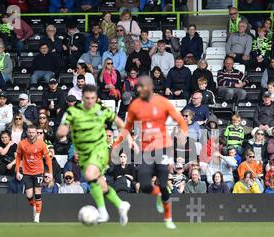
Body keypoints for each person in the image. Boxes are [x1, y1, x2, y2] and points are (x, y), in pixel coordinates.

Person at [113, 76, 188, 229]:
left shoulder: (162, 102)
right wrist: (120, 142)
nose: (139, 89)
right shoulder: (135, 106)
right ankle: (159, 196)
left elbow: (180, 119)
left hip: (163, 148)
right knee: (145, 186)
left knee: (163, 182)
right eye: (138, 87)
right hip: (145, 151)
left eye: (142, 87)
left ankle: (168, 218)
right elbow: (127, 127)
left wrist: (183, 132)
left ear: (150, 87)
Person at [58, 84, 131, 216]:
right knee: (99, 184)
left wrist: (129, 138)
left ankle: (103, 213)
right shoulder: (72, 112)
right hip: (85, 152)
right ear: (82, 98)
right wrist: (61, 132)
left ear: (96, 98)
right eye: (87, 98)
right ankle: (120, 205)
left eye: (93, 98)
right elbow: (61, 130)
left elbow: (120, 123)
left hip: (100, 150)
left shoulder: (101, 110)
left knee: (91, 176)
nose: (90, 101)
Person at [15, 125, 52, 223]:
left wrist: (50, 172)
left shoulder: (42, 144)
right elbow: (18, 158)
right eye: (29, 132)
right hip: (27, 172)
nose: (31, 134)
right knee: (29, 195)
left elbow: (48, 158)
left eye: (33, 132)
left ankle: (37, 216)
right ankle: (35, 207)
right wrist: (18, 171)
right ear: (27, 132)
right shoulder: (22, 144)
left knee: (38, 192)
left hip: (39, 171)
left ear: (36, 133)